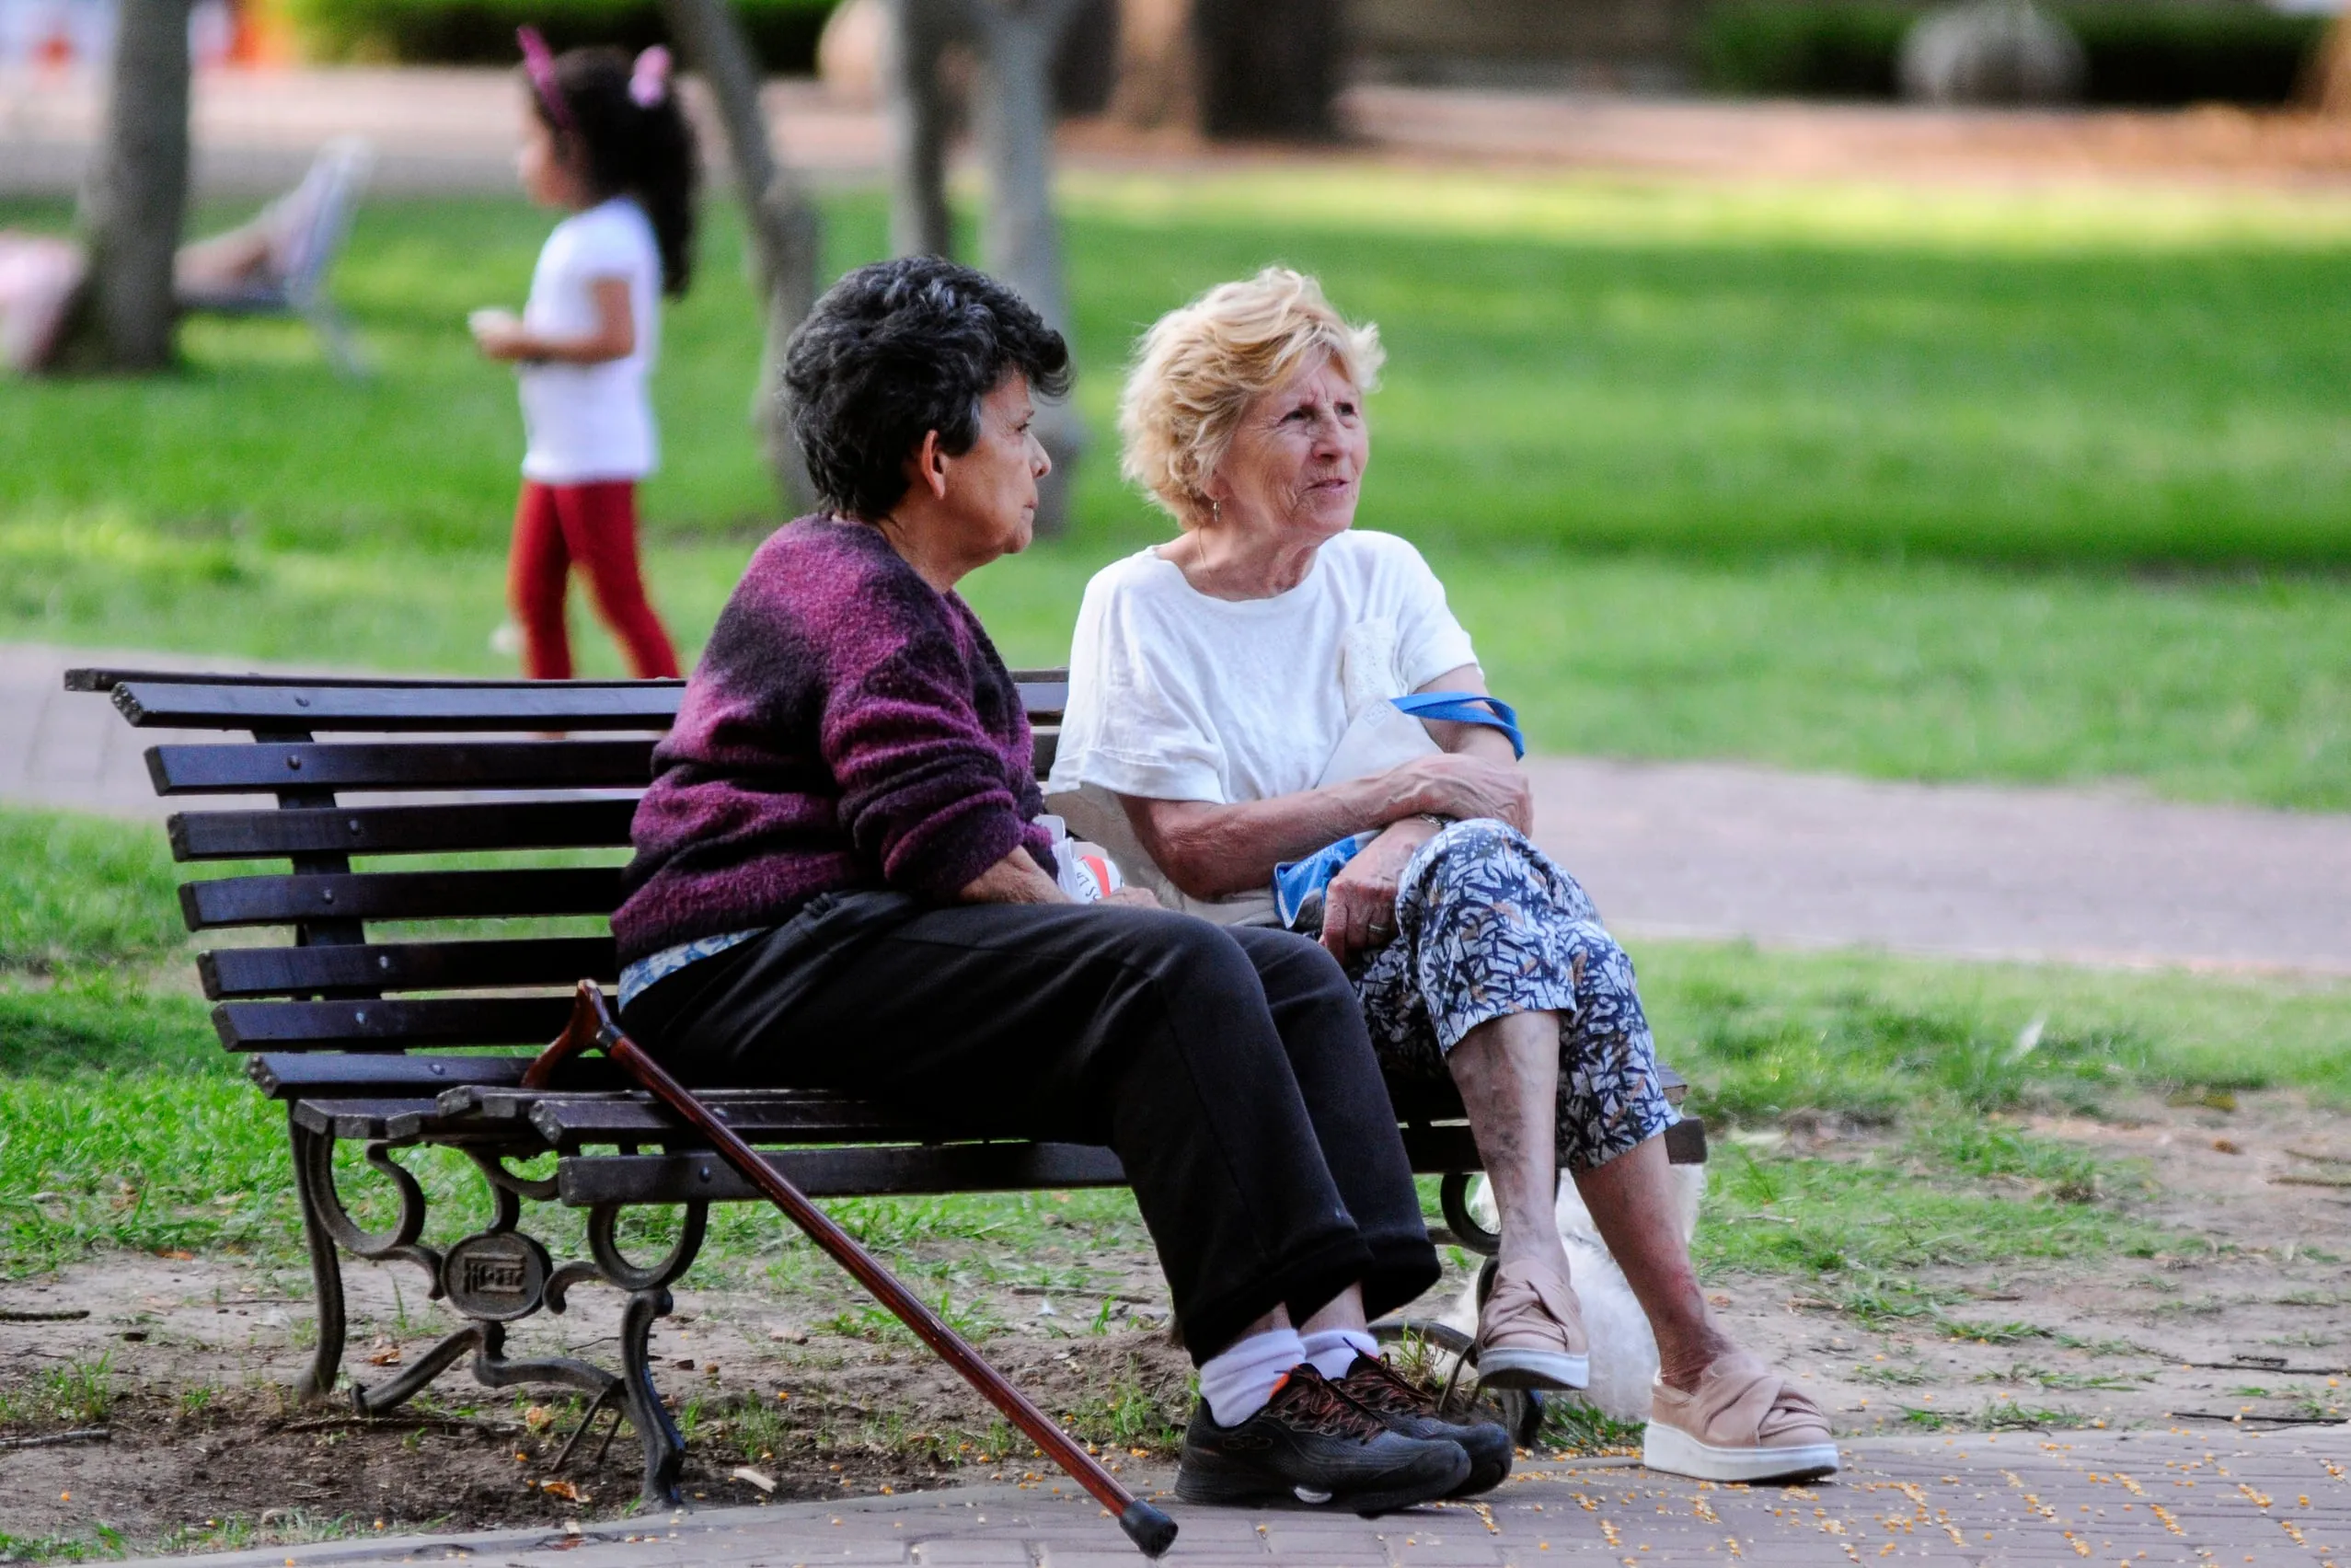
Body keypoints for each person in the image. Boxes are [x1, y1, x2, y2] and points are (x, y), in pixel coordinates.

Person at [609, 255, 1511, 1516]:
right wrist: (1119, 924)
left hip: (847, 941)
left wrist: (1106, 918)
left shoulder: (905, 596)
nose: (1039, 461)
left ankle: (1335, 1357)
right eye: (1019, 430)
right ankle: (1256, 1396)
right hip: (741, 964)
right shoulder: (853, 590)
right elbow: (952, 851)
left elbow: (969, 844)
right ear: (937, 458)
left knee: (1292, 975)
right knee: (1177, 962)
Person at [1046, 267, 1840, 1486]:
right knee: (1552, 949)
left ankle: (1532, 1266)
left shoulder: (1383, 573)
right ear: (1202, 448)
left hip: (1440, 974)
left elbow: (1492, 781)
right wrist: (1395, 796)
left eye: (1347, 412)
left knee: (1489, 883)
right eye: (1296, 417)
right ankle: (1687, 1360)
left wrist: (1396, 846)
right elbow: (1195, 846)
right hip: (1263, 1006)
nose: (1336, 444)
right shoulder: (1138, 606)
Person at [470, 31, 686, 681]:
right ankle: (548, 739)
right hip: (559, 449)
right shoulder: (592, 233)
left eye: (528, 142)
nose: (520, 160)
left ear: (574, 149)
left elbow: (620, 340)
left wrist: (523, 340)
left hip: (595, 452)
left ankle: (682, 726)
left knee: (619, 600)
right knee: (533, 597)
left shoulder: (605, 238)